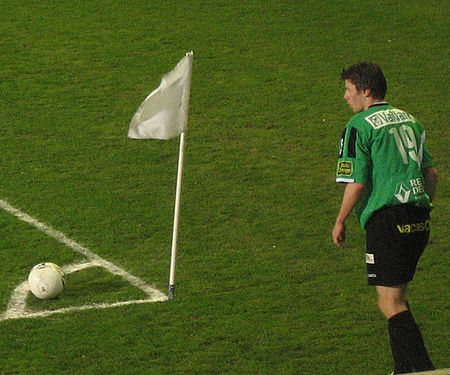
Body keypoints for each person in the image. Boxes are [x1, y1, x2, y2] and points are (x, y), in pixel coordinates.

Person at [332, 62, 438, 374]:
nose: (346, 97)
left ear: (365, 91)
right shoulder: (410, 120)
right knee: (397, 298)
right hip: (418, 217)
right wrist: (422, 205)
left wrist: (340, 220)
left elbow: (358, 181)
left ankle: (413, 369)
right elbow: (430, 172)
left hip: (387, 219)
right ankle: (413, 366)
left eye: (349, 90)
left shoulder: (359, 125)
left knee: (390, 302)